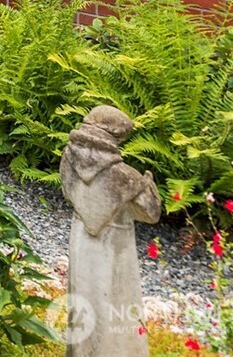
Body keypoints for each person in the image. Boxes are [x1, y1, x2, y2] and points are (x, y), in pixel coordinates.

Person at [59, 105, 161, 356]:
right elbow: (151, 213)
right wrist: (147, 184)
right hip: (115, 247)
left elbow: (67, 192)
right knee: (115, 303)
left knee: (84, 301)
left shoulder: (67, 158)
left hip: (80, 238)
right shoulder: (125, 177)